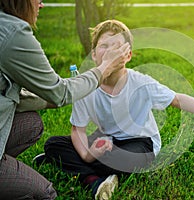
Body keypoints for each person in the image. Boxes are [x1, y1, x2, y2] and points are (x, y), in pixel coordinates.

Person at [40, 19, 194, 200]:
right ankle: (96, 180)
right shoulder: (86, 86)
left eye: (117, 46)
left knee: (121, 158)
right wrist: (86, 154)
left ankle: (81, 172)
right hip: (105, 141)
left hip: (140, 144)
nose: (110, 51)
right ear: (93, 55)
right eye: (104, 46)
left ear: (128, 55)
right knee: (53, 144)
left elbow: (178, 99)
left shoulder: (140, 83)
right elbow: (78, 130)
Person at [0, 0, 130, 199]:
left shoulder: (139, 83)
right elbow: (62, 95)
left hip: (125, 146)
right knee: (45, 192)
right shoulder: (13, 32)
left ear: (128, 54)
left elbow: (13, 94)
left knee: (32, 124)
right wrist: (104, 68)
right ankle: (91, 179)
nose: (41, 5)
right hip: (94, 148)